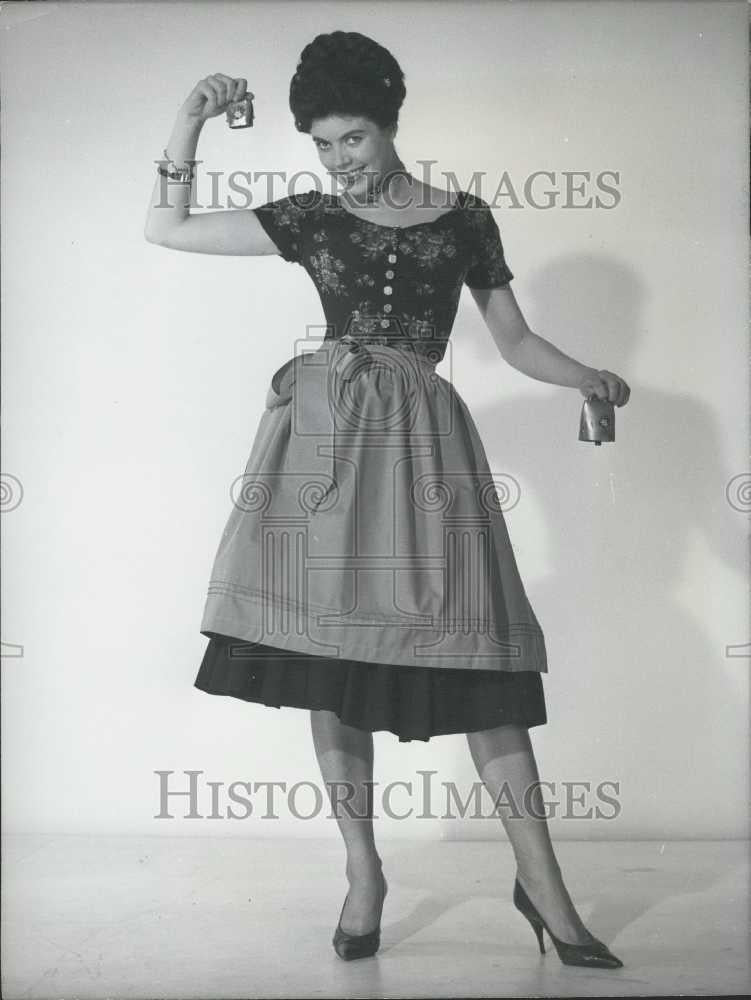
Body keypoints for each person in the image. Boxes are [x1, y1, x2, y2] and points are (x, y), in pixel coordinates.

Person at [144, 30, 630, 968]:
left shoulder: (465, 220)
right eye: (322, 145)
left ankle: (546, 890)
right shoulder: (314, 218)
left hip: (423, 448)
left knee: (480, 660)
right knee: (331, 659)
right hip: (323, 448)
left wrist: (588, 377)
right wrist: (190, 119)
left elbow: (515, 340)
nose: (338, 161)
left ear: (391, 124)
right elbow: (165, 229)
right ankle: (363, 874)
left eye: (353, 139)